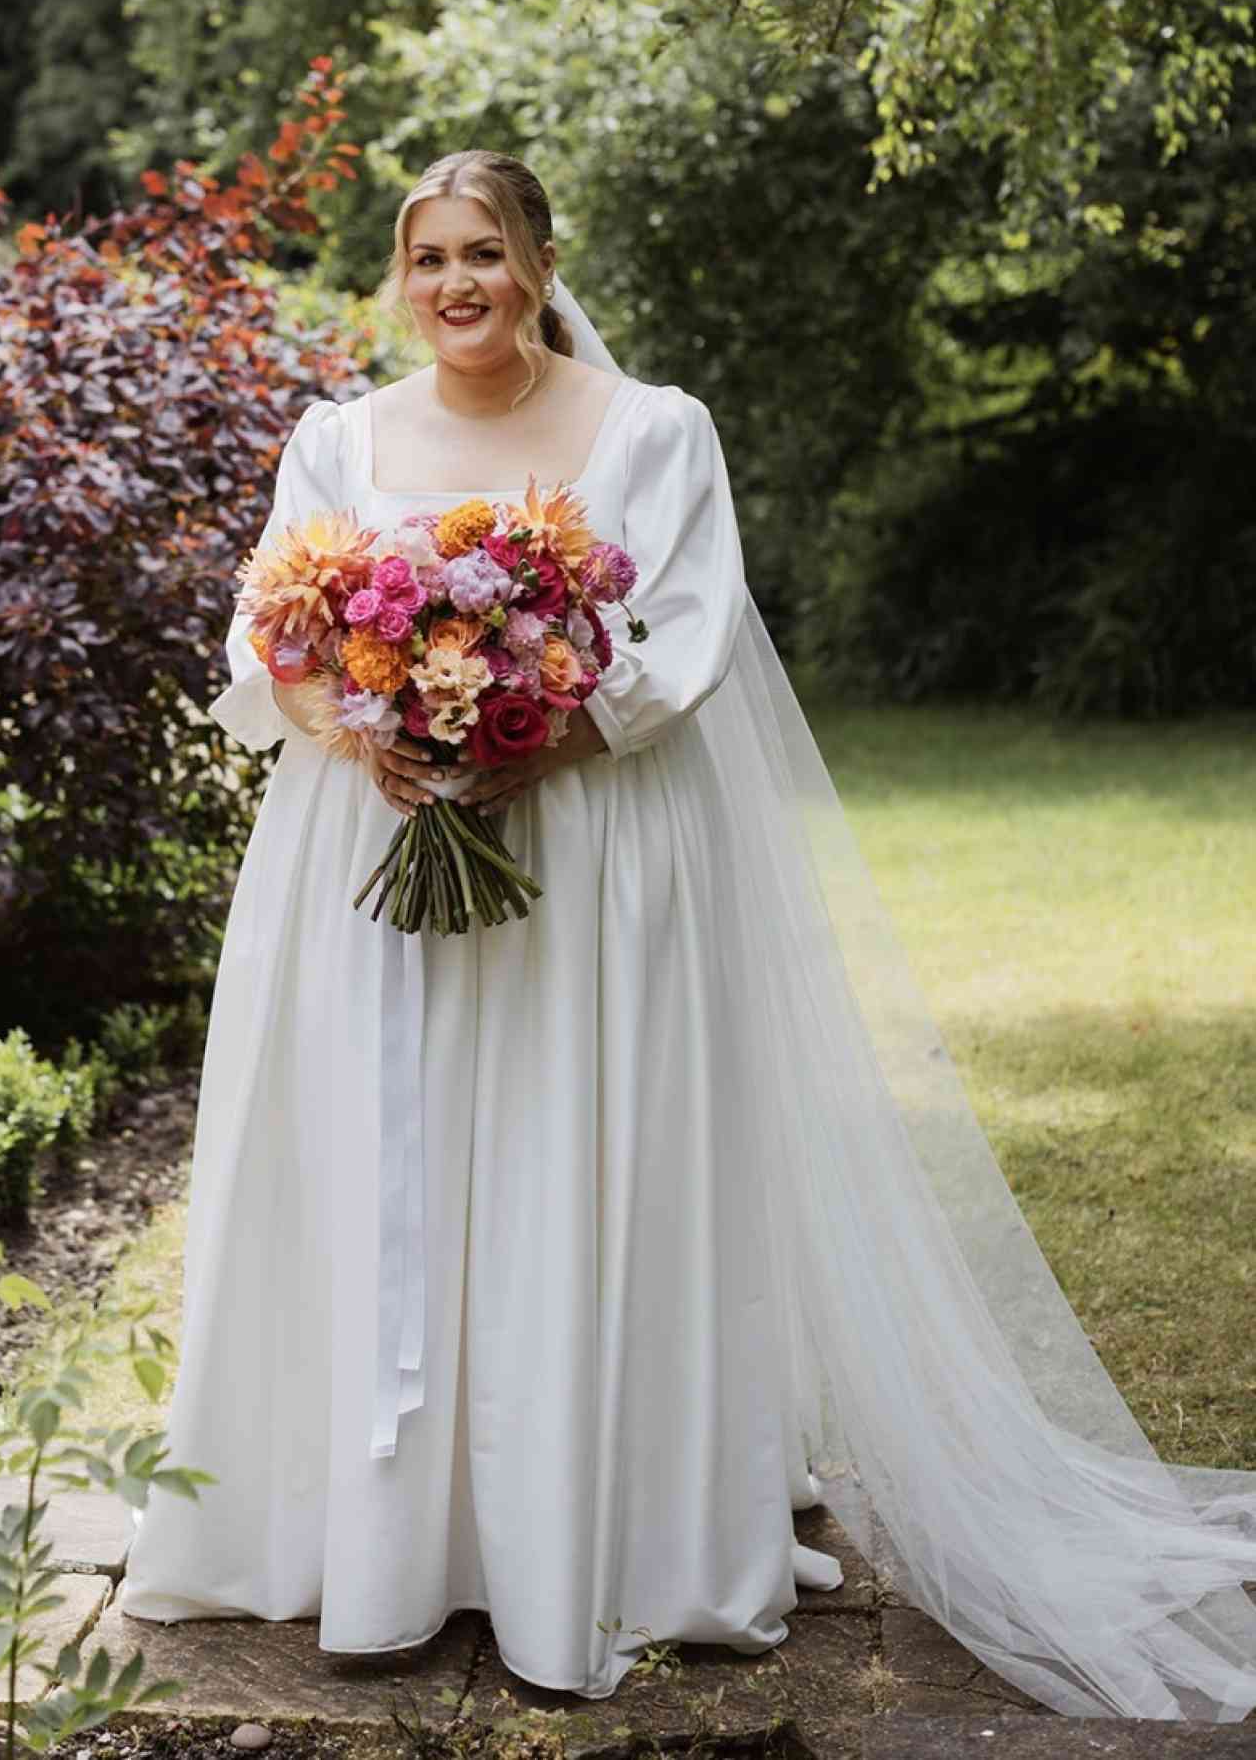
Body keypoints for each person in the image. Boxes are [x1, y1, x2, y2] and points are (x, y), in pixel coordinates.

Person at [120, 149, 1256, 1725]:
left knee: (566, 1150)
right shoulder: (339, 437)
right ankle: (380, 1536)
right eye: (431, 256)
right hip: (363, 853)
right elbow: (269, 631)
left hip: (587, 855)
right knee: (383, 1159)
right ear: (402, 273)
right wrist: (362, 724)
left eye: (488, 252)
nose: (459, 284)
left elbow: (689, 629)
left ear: (541, 259)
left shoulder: (654, 432)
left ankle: (593, 1528)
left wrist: (536, 736)